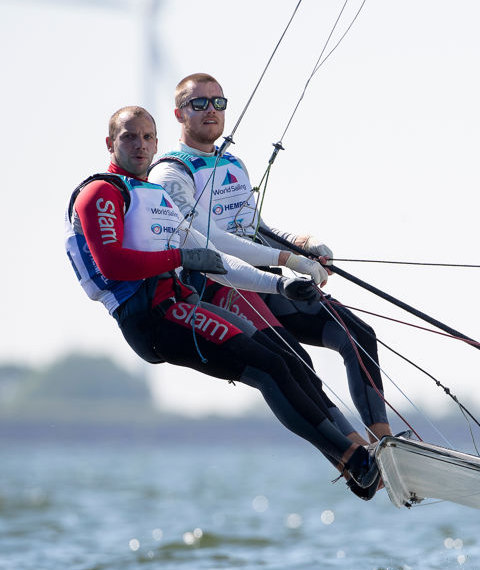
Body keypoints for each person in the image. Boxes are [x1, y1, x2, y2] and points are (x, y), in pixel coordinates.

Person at [65, 105, 380, 497]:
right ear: (110, 143)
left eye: (147, 137)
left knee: (281, 359)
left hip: (180, 305)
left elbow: (216, 259)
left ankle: (356, 461)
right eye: (129, 136)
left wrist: (280, 285)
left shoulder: (154, 196)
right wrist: (179, 257)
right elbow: (112, 264)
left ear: (156, 142)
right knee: (268, 367)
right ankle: (353, 458)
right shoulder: (100, 192)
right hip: (150, 319)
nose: (140, 145)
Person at [148, 73, 395, 450]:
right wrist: (289, 259)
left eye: (218, 102)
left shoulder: (232, 164)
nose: (210, 110)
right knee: (293, 361)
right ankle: (353, 451)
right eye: (199, 103)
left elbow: (254, 228)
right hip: (220, 285)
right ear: (180, 114)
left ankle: (386, 444)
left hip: (265, 279)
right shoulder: (170, 173)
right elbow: (213, 240)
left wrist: (302, 242)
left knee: (357, 335)